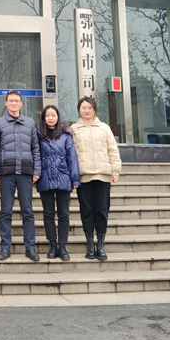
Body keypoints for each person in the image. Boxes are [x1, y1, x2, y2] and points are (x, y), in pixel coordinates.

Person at [0, 90, 41, 261]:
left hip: (26, 172)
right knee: (6, 212)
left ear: (21, 103)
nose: (13, 103)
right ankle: (5, 247)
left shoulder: (30, 123)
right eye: (11, 100)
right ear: (6, 103)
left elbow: (35, 148)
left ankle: (30, 248)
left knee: (28, 212)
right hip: (6, 173)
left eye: (16, 101)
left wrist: (37, 170)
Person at [70, 96, 122, 261]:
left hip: (103, 175)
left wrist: (115, 171)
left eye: (90, 108)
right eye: (84, 107)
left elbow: (113, 150)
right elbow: (71, 154)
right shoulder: (74, 129)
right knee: (86, 211)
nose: (87, 110)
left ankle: (100, 244)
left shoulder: (104, 128)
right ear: (79, 109)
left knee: (101, 210)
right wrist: (72, 176)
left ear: (94, 110)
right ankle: (90, 245)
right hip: (83, 176)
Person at [36, 105, 80, 261]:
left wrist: (75, 178)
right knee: (48, 214)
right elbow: (35, 156)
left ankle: (63, 246)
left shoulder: (66, 136)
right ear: (44, 118)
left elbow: (72, 158)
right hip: (45, 176)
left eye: (53, 115)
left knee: (63, 214)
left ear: (57, 117)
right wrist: (35, 175)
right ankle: (52, 245)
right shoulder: (38, 135)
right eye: (47, 115)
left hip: (63, 177)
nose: (50, 118)